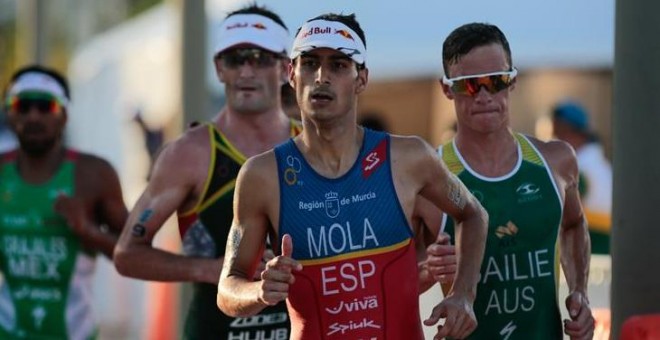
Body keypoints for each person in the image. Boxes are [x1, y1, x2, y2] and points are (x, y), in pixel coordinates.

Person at [217, 13, 488, 340]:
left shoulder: (409, 158)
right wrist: (260, 290)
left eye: (339, 65)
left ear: (362, 78)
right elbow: (227, 289)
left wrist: (464, 294)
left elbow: (473, 213)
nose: (321, 76)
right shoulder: (262, 176)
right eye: (310, 63)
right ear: (291, 73)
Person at [113, 5, 299, 339]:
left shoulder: (313, 145)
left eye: (259, 58)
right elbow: (127, 254)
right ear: (218, 68)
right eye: (234, 59)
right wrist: (211, 270)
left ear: (286, 68)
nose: (246, 71)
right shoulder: (191, 153)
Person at [427, 22, 595, 339]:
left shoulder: (556, 161)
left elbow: (573, 224)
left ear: (513, 81)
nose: (485, 95)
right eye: (469, 85)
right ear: (447, 88)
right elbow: (396, 276)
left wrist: (580, 291)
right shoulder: (428, 175)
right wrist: (428, 270)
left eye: (497, 81)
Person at [0, 65, 127, 338]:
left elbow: (137, 255)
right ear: (9, 114)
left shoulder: (94, 174)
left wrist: (88, 232)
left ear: (65, 115)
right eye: (23, 106)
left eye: (46, 106)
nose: (33, 116)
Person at [552, 100, 612, 254]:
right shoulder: (598, 164)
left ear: (572, 132)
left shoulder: (581, 168)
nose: (555, 138)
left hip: (595, 246)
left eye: (559, 132)